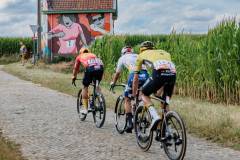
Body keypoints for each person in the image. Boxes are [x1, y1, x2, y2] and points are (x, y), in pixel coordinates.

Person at [132, 41, 176, 131]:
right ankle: (169, 131)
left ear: (141, 50)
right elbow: (166, 72)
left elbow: (135, 78)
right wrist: (158, 92)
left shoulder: (141, 55)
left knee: (144, 93)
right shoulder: (165, 53)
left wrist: (134, 93)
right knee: (165, 102)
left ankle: (155, 116)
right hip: (172, 74)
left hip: (158, 73)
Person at [110, 46, 149, 133]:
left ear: (123, 53)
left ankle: (130, 123)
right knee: (141, 96)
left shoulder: (122, 58)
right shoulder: (138, 55)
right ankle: (142, 113)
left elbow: (118, 73)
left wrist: (113, 82)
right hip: (146, 75)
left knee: (127, 98)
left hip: (135, 75)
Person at [72, 47, 104, 115]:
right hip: (100, 68)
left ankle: (85, 109)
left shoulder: (79, 56)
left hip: (90, 68)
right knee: (96, 84)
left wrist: (74, 77)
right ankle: (101, 101)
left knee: (85, 87)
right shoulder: (93, 54)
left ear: (81, 52)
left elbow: (75, 68)